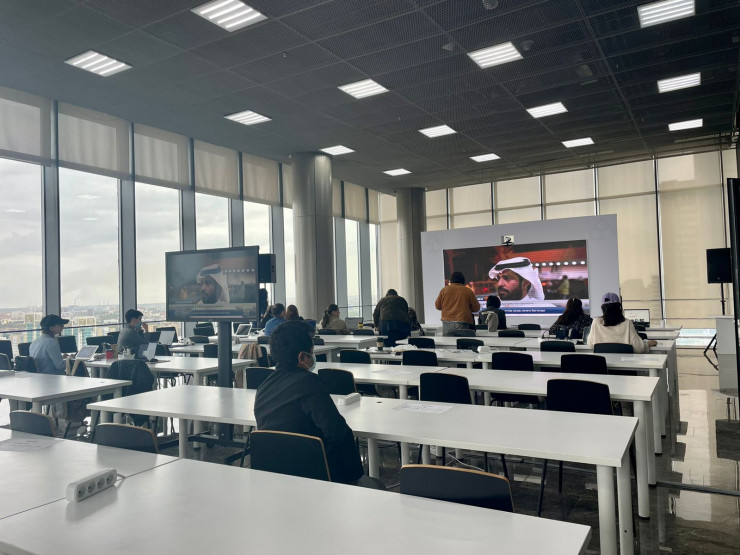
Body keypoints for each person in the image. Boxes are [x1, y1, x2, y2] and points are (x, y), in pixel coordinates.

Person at [254, 320, 366, 485]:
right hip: (315, 476)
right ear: (301, 357)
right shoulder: (309, 382)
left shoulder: (263, 386)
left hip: (274, 477)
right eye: (311, 352)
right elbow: (336, 432)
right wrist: (354, 477)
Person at [587, 292, 657, 353]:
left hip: (604, 363)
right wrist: (647, 344)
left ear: (603, 308)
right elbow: (638, 348)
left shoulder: (596, 322)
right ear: (619, 307)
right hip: (624, 363)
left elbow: (590, 344)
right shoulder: (627, 323)